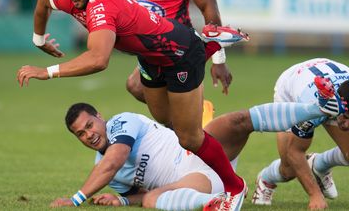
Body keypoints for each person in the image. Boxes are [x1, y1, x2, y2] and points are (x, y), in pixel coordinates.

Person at [17, 0, 249, 205]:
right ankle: (206, 49)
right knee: (161, 115)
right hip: (149, 58)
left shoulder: (102, 7)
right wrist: (40, 40)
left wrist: (46, 72)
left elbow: (98, 59)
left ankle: (235, 187)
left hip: (179, 54)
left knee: (188, 138)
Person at [49, 81, 346, 210]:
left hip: (201, 149)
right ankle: (218, 204)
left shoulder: (120, 124)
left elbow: (116, 158)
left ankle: (322, 109)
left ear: (100, 118)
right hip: (195, 182)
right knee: (152, 200)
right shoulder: (104, 174)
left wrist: (75, 199)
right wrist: (124, 200)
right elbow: (141, 195)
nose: (88, 134)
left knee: (238, 120)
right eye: (80, 134)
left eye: (89, 125)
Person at [101, 0, 233, 104]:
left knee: (139, 85)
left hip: (179, 45)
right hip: (150, 43)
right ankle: (188, 117)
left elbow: (209, 8)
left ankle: (191, 115)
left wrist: (219, 59)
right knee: (136, 86)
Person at [251, 58, 349, 210]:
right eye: (347, 118)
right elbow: (294, 152)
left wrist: (344, 117)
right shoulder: (313, 109)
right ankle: (266, 178)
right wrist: (315, 195)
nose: (347, 125)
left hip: (329, 81)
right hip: (292, 86)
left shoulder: (342, 107)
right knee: (289, 169)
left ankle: (318, 165)